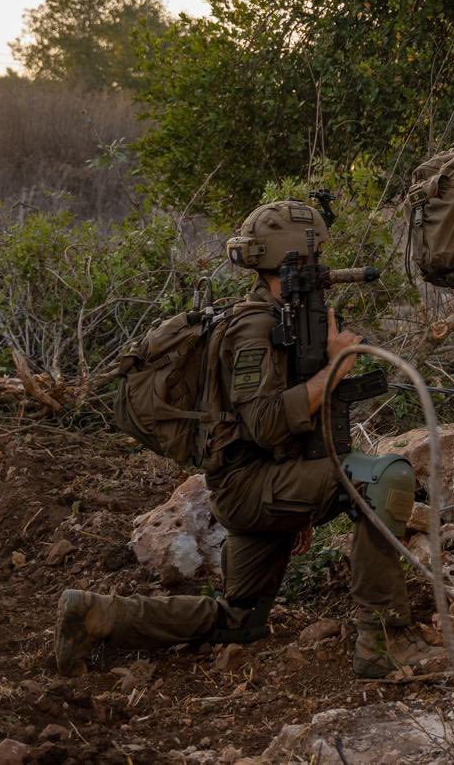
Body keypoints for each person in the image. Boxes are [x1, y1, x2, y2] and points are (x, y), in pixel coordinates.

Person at [55, 200, 428, 678]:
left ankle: (96, 614)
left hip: (264, 483)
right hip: (249, 488)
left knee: (239, 621)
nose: (326, 266)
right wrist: (335, 370)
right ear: (296, 259)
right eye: (318, 257)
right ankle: (384, 641)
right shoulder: (254, 329)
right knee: (386, 478)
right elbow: (266, 422)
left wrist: (302, 499)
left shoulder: (280, 315)